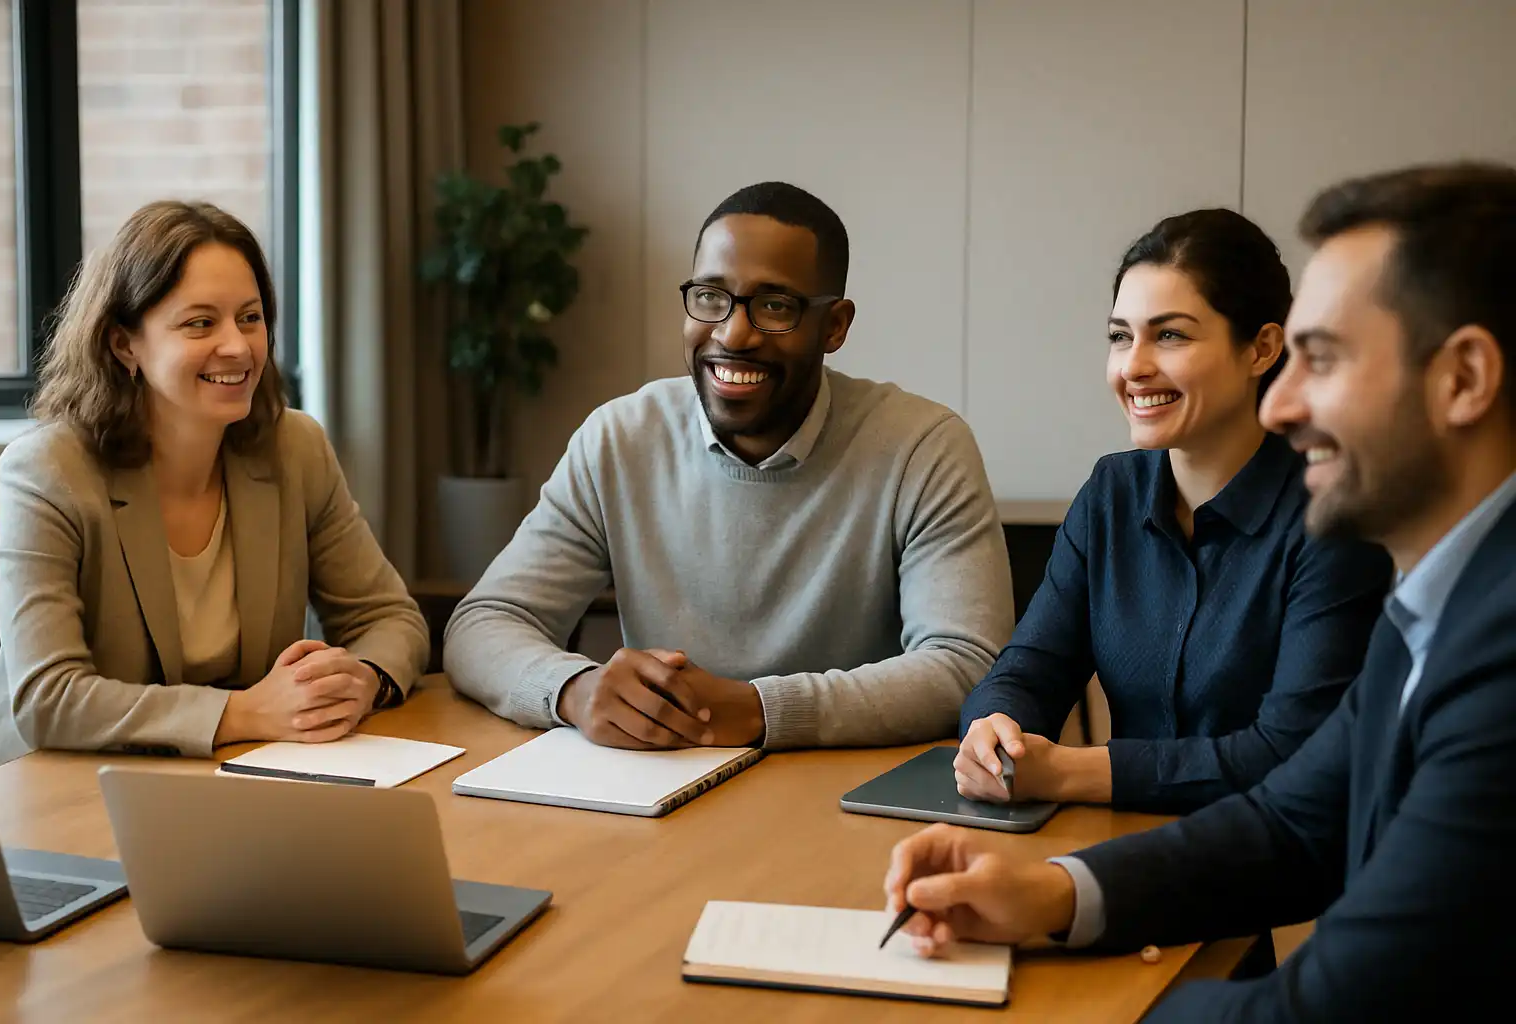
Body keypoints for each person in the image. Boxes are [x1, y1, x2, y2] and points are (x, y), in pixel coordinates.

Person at [883, 162, 1516, 1021]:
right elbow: (1291, 822)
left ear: (1465, 380)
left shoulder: (1496, 646)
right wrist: (1051, 896)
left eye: (1320, 359)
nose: (1284, 405)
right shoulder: (1436, 604)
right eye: (1119, 335)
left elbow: (1327, 1005)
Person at [445, 181, 1012, 750]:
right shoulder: (619, 439)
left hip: (848, 795)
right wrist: (573, 688)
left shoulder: (923, 447)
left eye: (774, 306)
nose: (733, 333)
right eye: (712, 297)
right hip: (663, 792)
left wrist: (761, 710)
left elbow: (965, 665)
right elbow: (483, 623)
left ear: (835, 326)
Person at [954, 210, 1391, 814]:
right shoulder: (1112, 491)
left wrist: (1068, 773)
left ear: (1262, 348)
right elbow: (1032, 665)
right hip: (1109, 849)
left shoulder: (1330, 517)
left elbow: (1288, 752)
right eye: (1119, 336)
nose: (1133, 366)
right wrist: (992, 728)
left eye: (1171, 335)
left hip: (1267, 873)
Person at [0, 200, 429, 772]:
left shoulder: (296, 448)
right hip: (44, 790)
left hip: (227, 780)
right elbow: (49, 698)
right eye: (200, 323)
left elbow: (391, 619)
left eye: (250, 317)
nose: (238, 347)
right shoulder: (47, 471)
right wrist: (242, 713)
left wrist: (362, 679)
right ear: (125, 345)